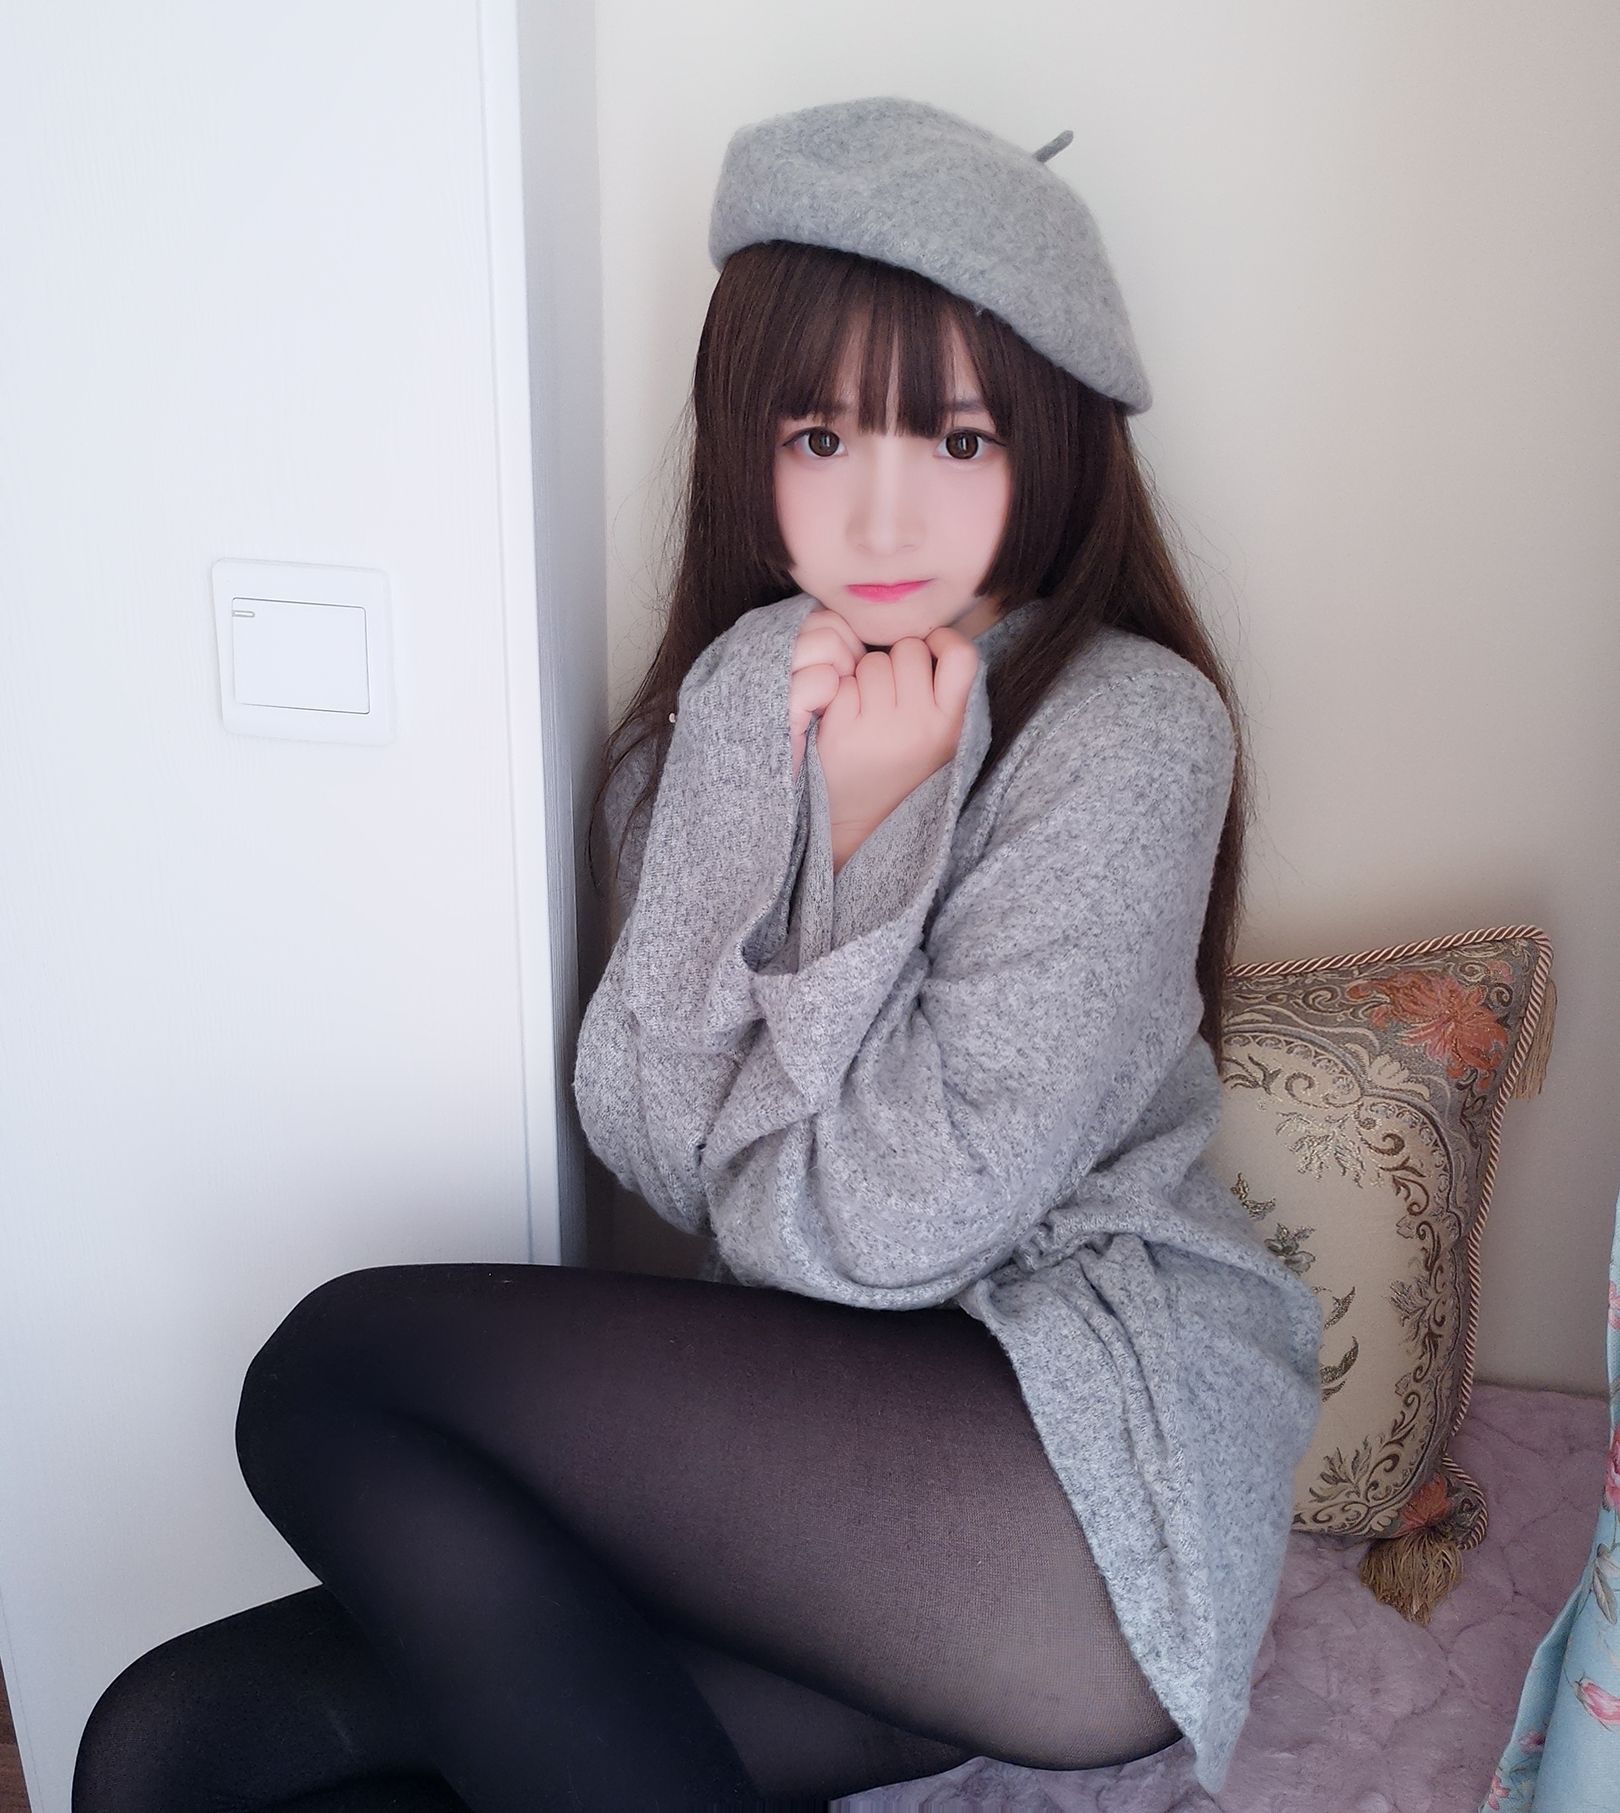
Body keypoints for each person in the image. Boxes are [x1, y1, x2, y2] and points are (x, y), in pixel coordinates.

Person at [70, 95, 1324, 1812]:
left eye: (955, 440)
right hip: (831, 1493)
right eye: (821, 436)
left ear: (1052, 442)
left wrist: (867, 849)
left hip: (1077, 1480)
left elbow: (877, 1235)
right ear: (751, 447)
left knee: (330, 1371)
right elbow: (649, 1129)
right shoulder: (736, 705)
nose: (883, 516)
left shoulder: (1129, 731)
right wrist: (760, 780)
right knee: (174, 1742)